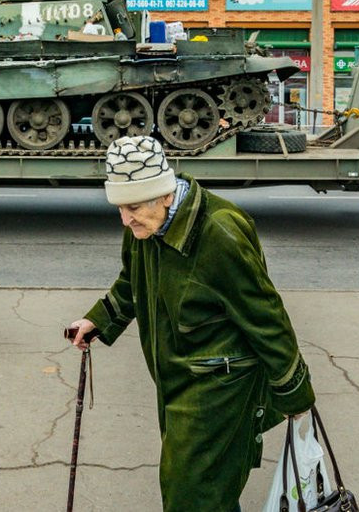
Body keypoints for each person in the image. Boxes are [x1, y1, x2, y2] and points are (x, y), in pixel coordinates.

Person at [68, 136, 315, 512]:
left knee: (191, 495)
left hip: (221, 385)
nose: (124, 218)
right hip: (178, 380)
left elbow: (266, 317)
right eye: (119, 207)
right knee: (205, 493)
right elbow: (131, 283)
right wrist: (97, 320)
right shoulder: (145, 227)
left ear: (165, 195)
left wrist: (294, 394)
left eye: (132, 207)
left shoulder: (219, 231)